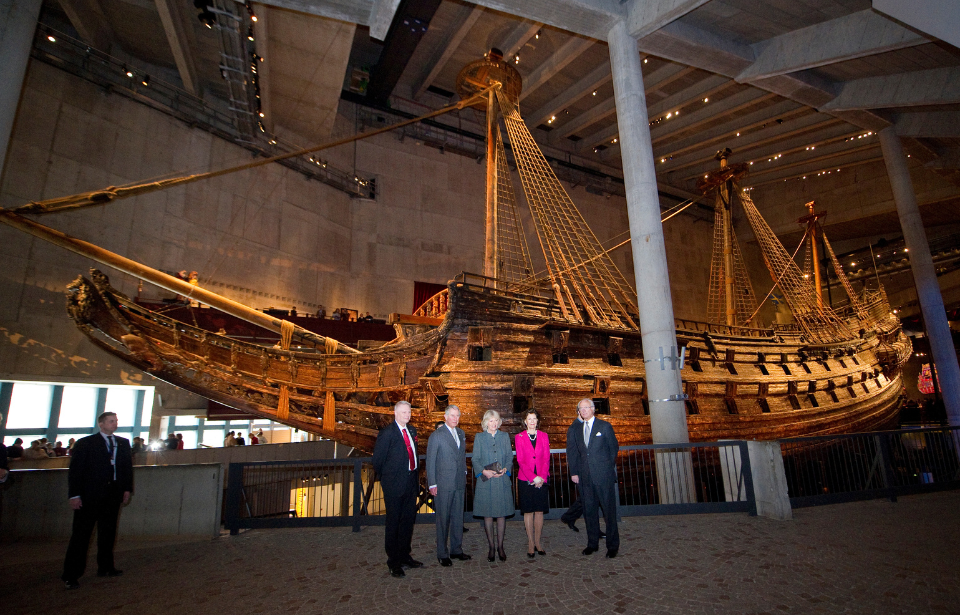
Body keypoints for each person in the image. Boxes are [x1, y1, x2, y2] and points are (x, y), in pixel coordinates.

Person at [61, 412, 134, 589]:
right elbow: (76, 471)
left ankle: (106, 567)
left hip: (112, 495)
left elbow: (126, 468)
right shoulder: (86, 443)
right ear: (101, 424)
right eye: (111, 421)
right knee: (81, 535)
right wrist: (74, 495)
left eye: (116, 421)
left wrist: (126, 489)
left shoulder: (123, 443)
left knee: (108, 533)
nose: (115, 423)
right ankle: (71, 574)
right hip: (89, 496)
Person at [372, 401, 423, 578]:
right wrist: (388, 480)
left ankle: (404, 555)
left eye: (408, 412)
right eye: (403, 412)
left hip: (410, 482)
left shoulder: (412, 431)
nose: (406, 415)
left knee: (408, 521)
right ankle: (393, 561)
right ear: (395, 413)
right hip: (394, 485)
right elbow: (377, 461)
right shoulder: (387, 434)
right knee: (393, 523)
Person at [566, 398, 620, 558]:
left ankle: (612, 546)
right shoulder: (577, 429)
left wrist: (605, 467)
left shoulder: (604, 426)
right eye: (580, 409)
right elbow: (574, 452)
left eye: (586, 408)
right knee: (589, 512)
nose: (583, 411)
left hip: (603, 477)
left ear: (593, 409)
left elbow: (613, 448)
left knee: (609, 512)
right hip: (585, 478)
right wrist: (574, 472)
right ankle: (592, 543)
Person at [425, 406, 470, 567]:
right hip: (443, 483)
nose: (455, 419)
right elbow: (430, 461)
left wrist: (464, 473)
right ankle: (442, 553)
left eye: (457, 416)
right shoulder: (437, 436)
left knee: (458, 518)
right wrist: (432, 483)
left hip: (458, 481)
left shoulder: (461, 433)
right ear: (445, 416)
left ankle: (456, 549)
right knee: (443, 519)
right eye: (452, 415)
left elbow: (462, 456)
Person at [472, 409, 514, 562]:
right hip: (487, 481)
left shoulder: (504, 436)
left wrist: (506, 469)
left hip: (501, 480)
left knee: (501, 515)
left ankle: (500, 546)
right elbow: (475, 459)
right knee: (488, 515)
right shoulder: (479, 437)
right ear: (485, 422)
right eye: (491, 420)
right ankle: (491, 546)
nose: (494, 423)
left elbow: (509, 457)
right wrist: (484, 472)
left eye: (496, 420)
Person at [515, 409, 549, 558]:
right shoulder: (519, 437)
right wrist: (532, 477)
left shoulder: (544, 436)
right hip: (526, 478)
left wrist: (541, 477)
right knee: (528, 511)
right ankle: (530, 543)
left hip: (541, 479)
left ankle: (538, 542)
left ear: (537, 421)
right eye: (529, 419)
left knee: (539, 511)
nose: (532, 421)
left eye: (534, 418)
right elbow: (520, 460)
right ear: (525, 421)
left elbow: (546, 458)